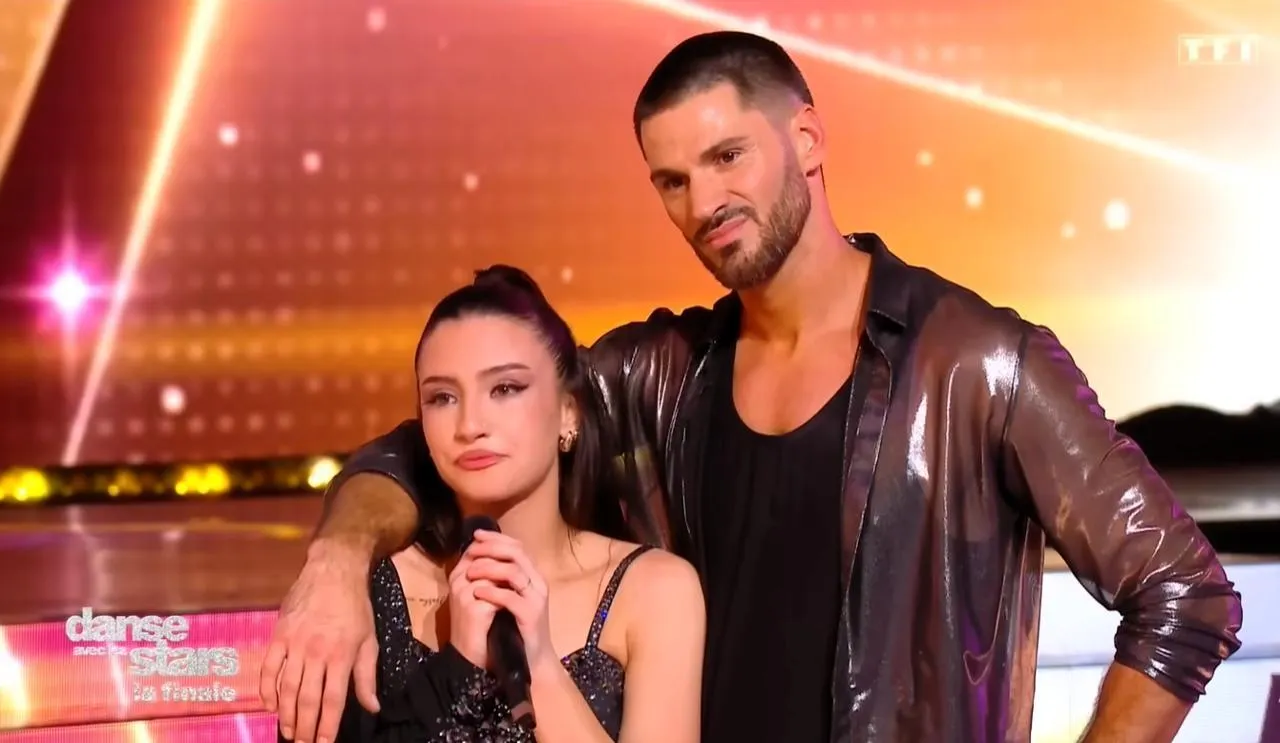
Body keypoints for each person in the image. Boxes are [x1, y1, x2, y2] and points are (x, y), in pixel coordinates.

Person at [261, 31, 1243, 743]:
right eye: (671, 180)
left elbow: (1186, 595)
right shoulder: (660, 373)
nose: (703, 202)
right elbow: (446, 436)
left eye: (727, 156)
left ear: (806, 140)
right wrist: (338, 561)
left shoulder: (979, 362)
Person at [284, 266, 703, 742]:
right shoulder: (369, 588)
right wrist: (458, 667)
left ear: (568, 413)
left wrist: (538, 660)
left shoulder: (654, 590)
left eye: (505, 389)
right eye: (442, 397)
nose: (470, 425)